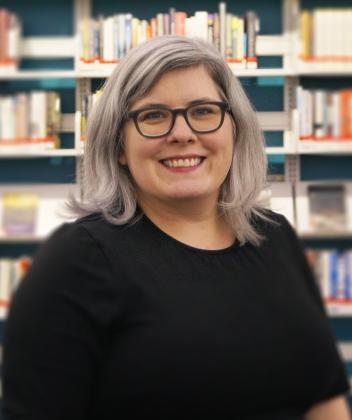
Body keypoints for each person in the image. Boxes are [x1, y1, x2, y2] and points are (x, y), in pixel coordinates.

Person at [2, 35, 351, 420]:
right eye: (153, 115)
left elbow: (323, 398)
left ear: (234, 129)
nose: (182, 133)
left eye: (203, 111)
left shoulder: (274, 236)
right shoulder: (76, 263)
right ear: (119, 145)